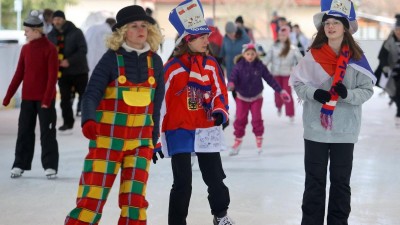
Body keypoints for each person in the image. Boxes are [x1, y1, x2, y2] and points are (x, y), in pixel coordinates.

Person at [64, 5, 164, 225]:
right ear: (122, 32)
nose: (141, 30)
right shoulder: (111, 60)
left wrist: (153, 139)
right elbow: (91, 94)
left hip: (140, 142)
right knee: (92, 198)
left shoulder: (155, 63)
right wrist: (89, 120)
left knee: (135, 202)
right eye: (134, 26)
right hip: (107, 141)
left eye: (144, 26)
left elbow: (156, 107)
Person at [289, 0, 376, 224]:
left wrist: (347, 95)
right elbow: (298, 84)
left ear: (345, 27)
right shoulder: (313, 55)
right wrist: (314, 93)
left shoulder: (357, 59)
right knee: (314, 182)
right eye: (327, 22)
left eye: (336, 22)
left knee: (340, 183)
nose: (330, 26)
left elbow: (367, 90)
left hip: (345, 130)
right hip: (316, 129)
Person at [162, 0, 233, 224]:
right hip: (180, 129)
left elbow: (220, 92)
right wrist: (154, 136)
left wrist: (221, 111)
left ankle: (220, 216)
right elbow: (158, 103)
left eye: (206, 36)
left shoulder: (211, 64)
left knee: (215, 178)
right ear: (187, 40)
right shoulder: (172, 68)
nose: (206, 40)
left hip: (205, 127)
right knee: (182, 182)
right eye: (200, 37)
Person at [2, 10, 59, 179]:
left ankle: (50, 166)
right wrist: (8, 96)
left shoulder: (50, 49)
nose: (24, 33)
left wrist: (47, 99)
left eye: (26, 30)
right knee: (24, 131)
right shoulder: (25, 49)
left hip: (45, 99)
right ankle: (20, 164)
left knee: (47, 133)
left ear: (36, 31)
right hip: (27, 99)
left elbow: (52, 77)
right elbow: (19, 74)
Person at [227, 43, 291, 156]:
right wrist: (231, 84)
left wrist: (280, 91)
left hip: (256, 97)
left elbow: (270, 79)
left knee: (257, 119)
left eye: (252, 54)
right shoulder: (239, 66)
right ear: (243, 54)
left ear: (256, 54)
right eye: (248, 54)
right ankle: (237, 141)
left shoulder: (260, 66)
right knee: (240, 119)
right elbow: (233, 77)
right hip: (242, 97)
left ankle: (259, 139)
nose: (250, 56)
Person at [47, 10, 89, 131]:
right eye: (55, 19)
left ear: (64, 19)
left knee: (85, 97)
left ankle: (89, 121)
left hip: (79, 71)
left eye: (59, 19)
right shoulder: (51, 35)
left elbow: (83, 50)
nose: (57, 21)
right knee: (65, 99)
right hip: (63, 73)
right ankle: (67, 122)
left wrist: (69, 61)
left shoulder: (76, 32)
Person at [263, 25, 303, 121]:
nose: (282, 37)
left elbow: (300, 60)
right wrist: (260, 66)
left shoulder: (292, 48)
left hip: (287, 74)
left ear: (287, 36)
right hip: (275, 74)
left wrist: (300, 68)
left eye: (284, 35)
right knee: (278, 93)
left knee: (287, 93)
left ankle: (290, 113)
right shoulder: (273, 47)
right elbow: (267, 59)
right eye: (280, 35)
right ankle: (279, 106)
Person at [375, 14, 400, 126]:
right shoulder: (389, 42)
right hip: (391, 73)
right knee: (393, 93)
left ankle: (399, 112)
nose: (399, 32)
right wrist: (385, 67)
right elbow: (382, 56)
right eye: (397, 30)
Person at [220, 21, 250, 99]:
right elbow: (222, 53)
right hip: (231, 71)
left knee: (243, 94)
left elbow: (250, 53)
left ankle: (243, 109)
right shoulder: (225, 39)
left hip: (243, 71)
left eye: (232, 33)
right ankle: (240, 109)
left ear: (236, 30)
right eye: (229, 34)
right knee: (235, 94)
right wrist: (221, 64)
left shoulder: (245, 38)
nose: (231, 36)